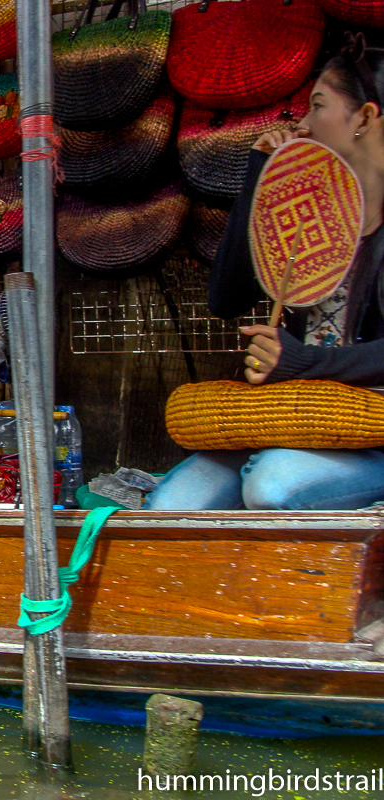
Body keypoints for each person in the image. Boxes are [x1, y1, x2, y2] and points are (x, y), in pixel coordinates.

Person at [147, 33, 384, 511]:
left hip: (371, 433)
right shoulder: (311, 209)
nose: (304, 122)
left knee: (271, 487)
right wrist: (260, 173)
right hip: (292, 418)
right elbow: (227, 297)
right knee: (175, 507)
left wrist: (305, 364)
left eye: (318, 105)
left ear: (365, 116)